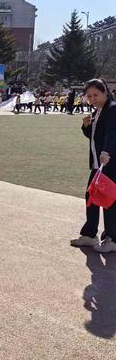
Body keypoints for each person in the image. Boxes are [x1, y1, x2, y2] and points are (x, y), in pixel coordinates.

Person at [71, 79, 116, 252]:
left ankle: (112, 239)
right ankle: (90, 235)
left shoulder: (112, 109)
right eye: (89, 96)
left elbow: (113, 134)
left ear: (105, 92)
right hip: (99, 164)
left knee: (108, 200)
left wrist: (107, 151)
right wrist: (86, 126)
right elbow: (95, 136)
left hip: (109, 162)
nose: (92, 98)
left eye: (96, 95)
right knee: (91, 197)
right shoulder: (98, 111)